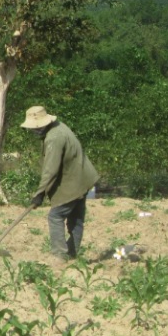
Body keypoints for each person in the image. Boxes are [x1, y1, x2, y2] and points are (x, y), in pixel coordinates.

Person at [21, 105, 99, 262]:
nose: (34, 131)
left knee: (55, 216)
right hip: (83, 179)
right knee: (76, 219)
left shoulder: (53, 138)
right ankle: (72, 255)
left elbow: (50, 170)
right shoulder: (59, 126)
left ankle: (60, 256)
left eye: (36, 128)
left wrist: (40, 193)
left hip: (73, 181)